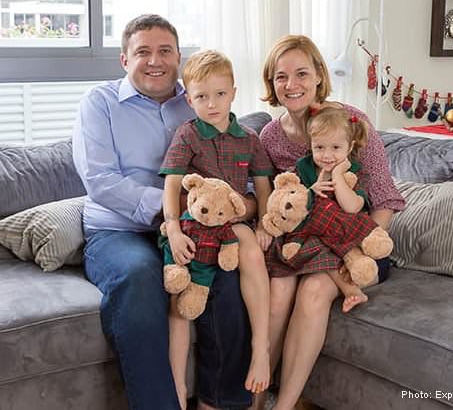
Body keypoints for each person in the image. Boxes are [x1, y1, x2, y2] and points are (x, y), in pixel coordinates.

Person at [72, 14, 253, 410]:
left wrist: (238, 206)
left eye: (165, 51)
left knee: (226, 275)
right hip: (120, 233)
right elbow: (100, 180)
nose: (155, 60)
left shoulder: (198, 101)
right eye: (143, 52)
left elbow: (232, 163)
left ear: (178, 57)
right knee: (139, 279)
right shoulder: (99, 104)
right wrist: (177, 213)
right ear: (124, 60)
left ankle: (222, 402)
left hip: (197, 228)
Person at [254, 35, 405, 410]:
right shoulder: (270, 137)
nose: (292, 85)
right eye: (281, 77)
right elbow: (274, 203)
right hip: (303, 244)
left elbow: (385, 199)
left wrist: (356, 246)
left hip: (359, 243)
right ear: (271, 84)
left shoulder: (353, 124)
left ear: (320, 76)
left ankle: (284, 405)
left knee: (316, 290)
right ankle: (253, 400)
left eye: (302, 73)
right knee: (278, 290)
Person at [159, 50, 273, 409]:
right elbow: (172, 187)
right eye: (202, 97)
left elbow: (264, 185)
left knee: (252, 248)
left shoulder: (250, 138)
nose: (212, 104)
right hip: (192, 228)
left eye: (220, 94)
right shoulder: (187, 135)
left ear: (234, 93)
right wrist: (174, 231)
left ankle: (261, 349)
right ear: (189, 99)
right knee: (182, 300)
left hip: (231, 225)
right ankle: (177, 388)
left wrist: (266, 221)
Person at [267, 106, 378, 312]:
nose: (327, 155)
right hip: (313, 231)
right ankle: (350, 289)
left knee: (331, 247)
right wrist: (311, 191)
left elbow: (352, 207)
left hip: (344, 230)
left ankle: (352, 288)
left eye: (336, 148)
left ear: (349, 146)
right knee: (313, 247)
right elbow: (293, 203)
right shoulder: (303, 167)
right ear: (311, 145)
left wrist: (337, 175)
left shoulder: (355, 172)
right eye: (319, 147)